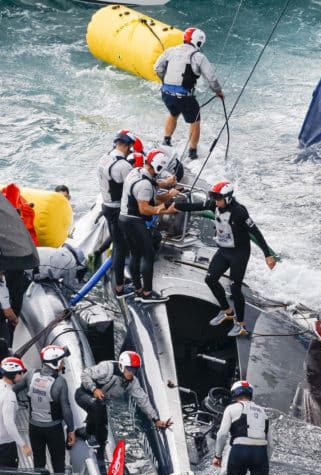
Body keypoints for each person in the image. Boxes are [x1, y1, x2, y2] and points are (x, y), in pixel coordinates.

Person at [176, 181, 277, 337]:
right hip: (224, 251)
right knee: (210, 279)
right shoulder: (214, 205)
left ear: (228, 198)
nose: (216, 201)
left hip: (239, 253)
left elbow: (256, 233)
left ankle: (241, 324)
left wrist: (267, 255)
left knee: (235, 288)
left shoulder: (239, 212)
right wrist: (172, 205)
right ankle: (227, 311)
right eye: (214, 198)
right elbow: (193, 206)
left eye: (219, 198)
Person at [75, 350, 172, 465]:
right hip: (84, 395)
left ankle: (99, 455)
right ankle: (90, 434)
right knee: (97, 407)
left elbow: (143, 400)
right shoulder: (108, 367)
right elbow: (85, 374)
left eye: (135, 370)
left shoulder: (132, 382)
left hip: (101, 402)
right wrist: (94, 389)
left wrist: (155, 419)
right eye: (129, 369)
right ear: (122, 365)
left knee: (103, 430)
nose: (132, 373)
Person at [153, 28, 224, 161]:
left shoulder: (170, 50)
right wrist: (218, 91)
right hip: (184, 97)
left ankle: (166, 141)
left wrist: (166, 81)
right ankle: (192, 151)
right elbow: (211, 78)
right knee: (195, 120)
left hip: (166, 94)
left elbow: (157, 68)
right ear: (199, 42)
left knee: (174, 113)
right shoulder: (198, 56)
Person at [119, 149, 179, 303]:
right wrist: (166, 209)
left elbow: (152, 188)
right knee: (148, 255)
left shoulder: (138, 171)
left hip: (124, 218)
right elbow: (144, 209)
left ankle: (138, 289)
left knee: (135, 254)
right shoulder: (145, 184)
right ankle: (147, 293)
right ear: (157, 166)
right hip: (135, 221)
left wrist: (167, 184)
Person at [96, 130, 136, 296]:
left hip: (106, 205)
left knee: (116, 240)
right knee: (120, 247)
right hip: (117, 209)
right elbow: (133, 188)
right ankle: (120, 287)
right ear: (127, 145)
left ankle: (115, 276)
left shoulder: (104, 158)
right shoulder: (124, 165)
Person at [27, 345, 77, 474]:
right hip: (53, 429)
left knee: (38, 461)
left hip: (34, 427)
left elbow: (14, 390)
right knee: (58, 461)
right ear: (56, 363)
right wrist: (71, 431)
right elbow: (66, 409)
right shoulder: (60, 382)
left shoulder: (31, 374)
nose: (63, 363)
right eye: (62, 361)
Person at [0, 356, 32, 468]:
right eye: (21, 373)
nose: (22, 375)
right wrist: (23, 445)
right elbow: (9, 423)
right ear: (14, 375)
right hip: (4, 445)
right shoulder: (10, 395)